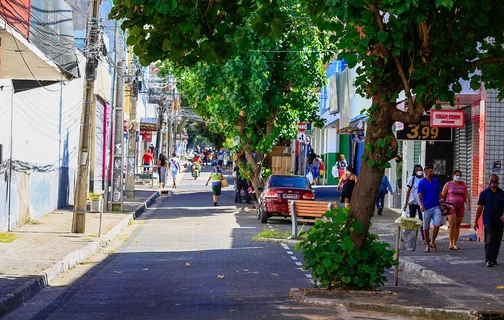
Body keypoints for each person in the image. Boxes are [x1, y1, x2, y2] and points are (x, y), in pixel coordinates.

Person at [474, 174, 504, 267]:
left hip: (499, 220)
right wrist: (475, 221)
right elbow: (480, 208)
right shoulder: (484, 193)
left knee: (497, 240)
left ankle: (494, 258)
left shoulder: (502, 193)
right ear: (488, 181)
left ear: (498, 182)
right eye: (492, 181)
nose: (493, 183)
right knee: (489, 239)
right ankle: (488, 259)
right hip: (488, 219)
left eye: (495, 181)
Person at [441, 170, 470, 250]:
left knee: (457, 225)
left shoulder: (463, 184)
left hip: (460, 206)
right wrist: (442, 205)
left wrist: (468, 204)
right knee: (452, 224)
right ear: (453, 175)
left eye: (460, 175)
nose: (458, 176)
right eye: (457, 175)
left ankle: (455, 243)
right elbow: (443, 195)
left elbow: (466, 195)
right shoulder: (448, 184)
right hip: (450, 206)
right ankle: (450, 243)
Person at [418, 166, 442, 253]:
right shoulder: (422, 183)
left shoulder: (435, 181)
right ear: (426, 173)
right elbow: (419, 195)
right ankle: (427, 245)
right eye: (431, 171)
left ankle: (433, 241)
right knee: (426, 228)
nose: (432, 173)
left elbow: (440, 193)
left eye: (432, 171)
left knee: (437, 224)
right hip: (426, 207)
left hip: (436, 206)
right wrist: (421, 205)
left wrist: (442, 201)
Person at [403, 165, 425, 243]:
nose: (420, 171)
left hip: (421, 203)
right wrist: (405, 204)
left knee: (421, 220)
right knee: (411, 220)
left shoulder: (424, 180)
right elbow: (408, 191)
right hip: (412, 202)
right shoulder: (412, 179)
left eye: (421, 170)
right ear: (415, 171)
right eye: (418, 170)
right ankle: (407, 236)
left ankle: (424, 238)